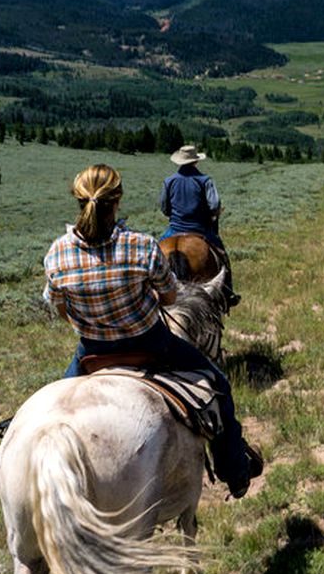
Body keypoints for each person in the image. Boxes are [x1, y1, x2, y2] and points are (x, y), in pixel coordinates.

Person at [43, 163, 257, 496]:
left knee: (49, 410)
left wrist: (85, 319)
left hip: (92, 352)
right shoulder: (141, 246)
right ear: (117, 201)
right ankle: (233, 468)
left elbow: (58, 307)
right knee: (218, 381)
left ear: (79, 201)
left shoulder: (57, 252)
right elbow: (171, 296)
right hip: (152, 344)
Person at [159, 144, 239, 306]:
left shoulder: (169, 182)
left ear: (180, 162)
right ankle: (228, 293)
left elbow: (164, 208)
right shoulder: (205, 181)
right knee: (222, 255)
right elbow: (214, 206)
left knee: (154, 254)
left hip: (174, 229)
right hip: (200, 230)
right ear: (196, 162)